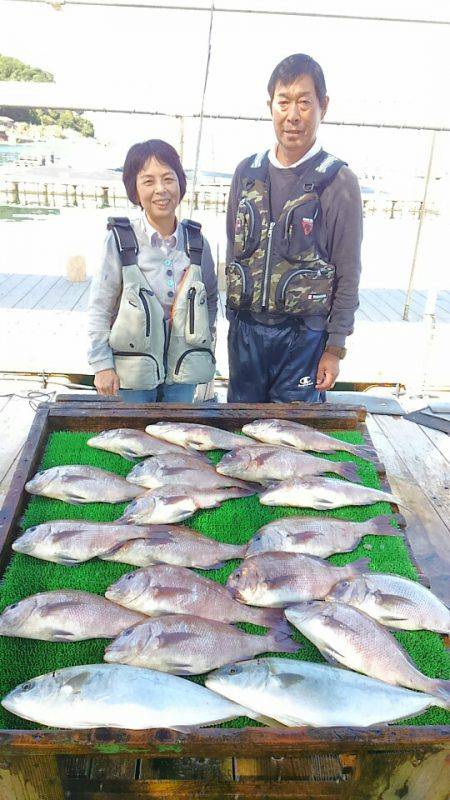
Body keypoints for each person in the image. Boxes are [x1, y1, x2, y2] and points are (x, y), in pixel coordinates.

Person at [225, 53, 363, 403]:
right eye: (283, 102)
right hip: (245, 335)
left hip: (304, 339)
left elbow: (348, 272)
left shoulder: (340, 182)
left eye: (304, 102)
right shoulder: (246, 173)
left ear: (323, 106)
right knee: (240, 434)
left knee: (290, 441)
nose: (292, 115)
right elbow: (232, 249)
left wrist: (335, 348)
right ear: (270, 105)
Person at [88, 139, 217, 402]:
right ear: (134, 190)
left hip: (183, 372)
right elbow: (100, 307)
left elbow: (211, 299)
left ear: (180, 183)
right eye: (148, 181)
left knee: (177, 437)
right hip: (133, 374)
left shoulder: (197, 242)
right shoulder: (120, 241)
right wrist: (102, 364)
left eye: (168, 179)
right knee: (135, 438)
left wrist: (203, 342)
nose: (161, 190)